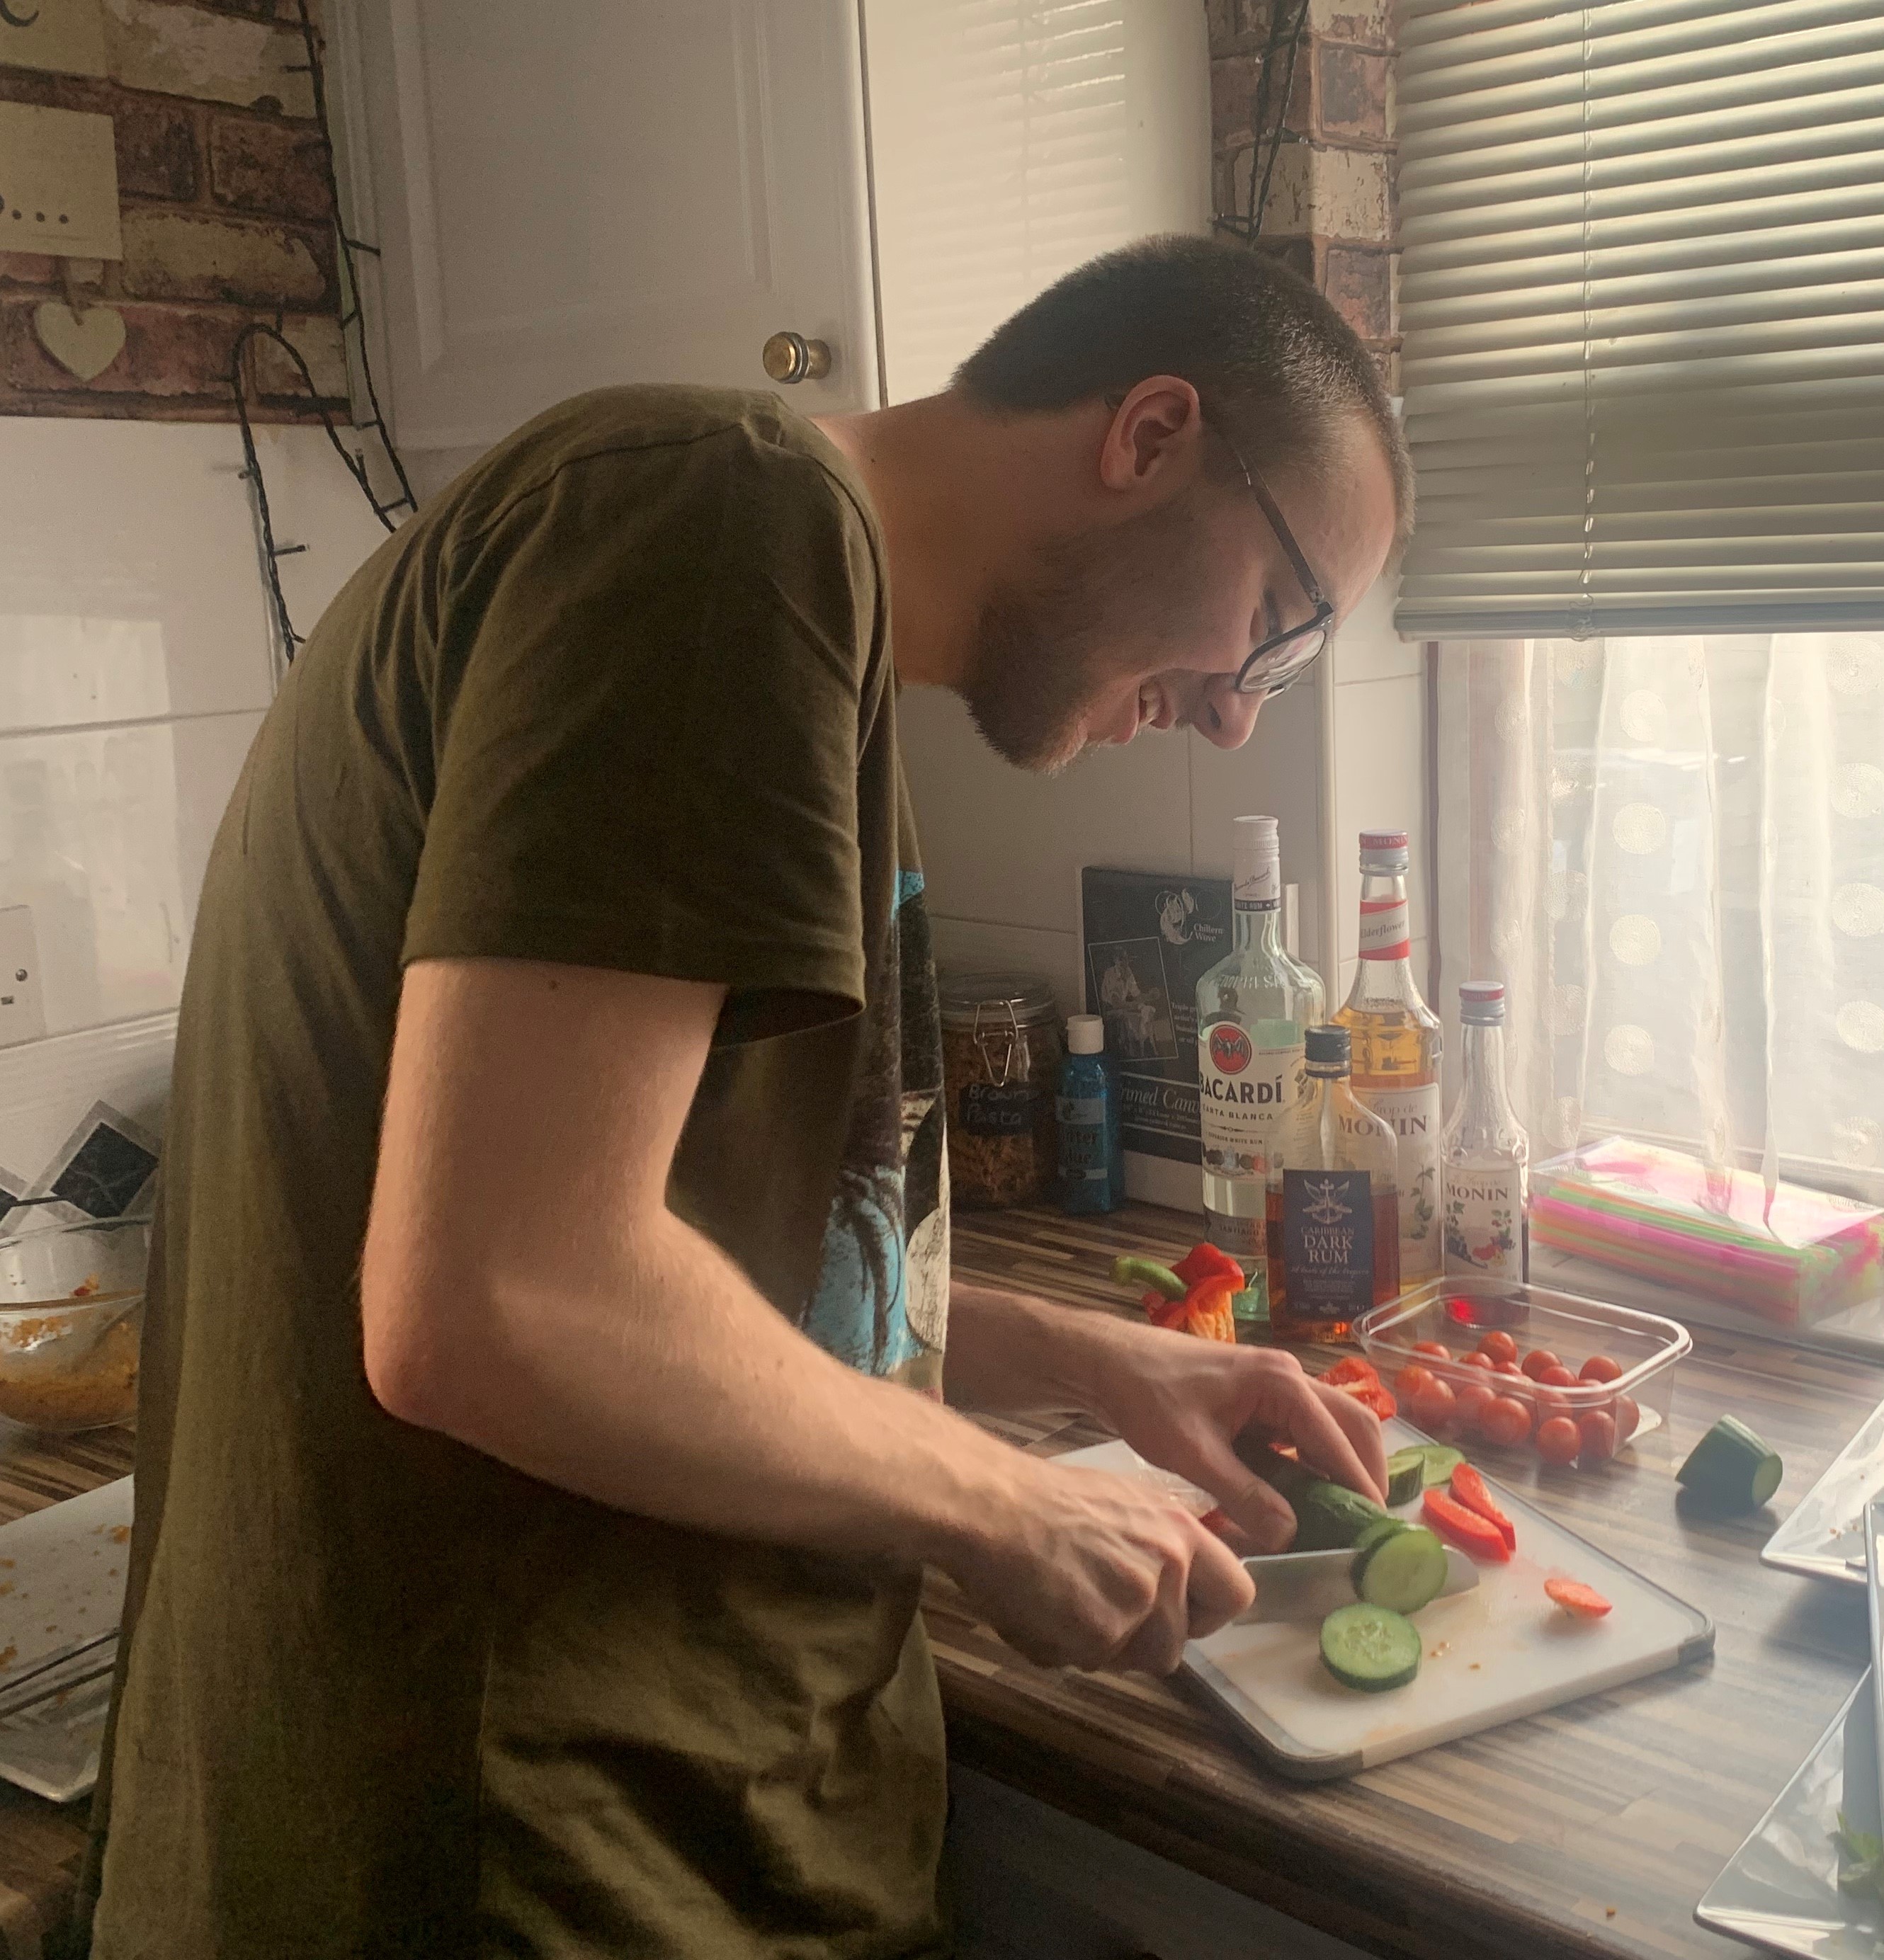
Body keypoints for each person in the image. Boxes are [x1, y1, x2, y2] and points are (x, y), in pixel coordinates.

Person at [79, 234, 1409, 1959]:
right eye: (1279, 624)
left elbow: (705, 1267)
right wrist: (1003, 1498)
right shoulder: (720, 521)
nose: (1238, 717)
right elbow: (498, 1300)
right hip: (516, 1863)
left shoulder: (785, 616)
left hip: (650, 1833)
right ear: (1150, 432)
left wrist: (1080, 1357)